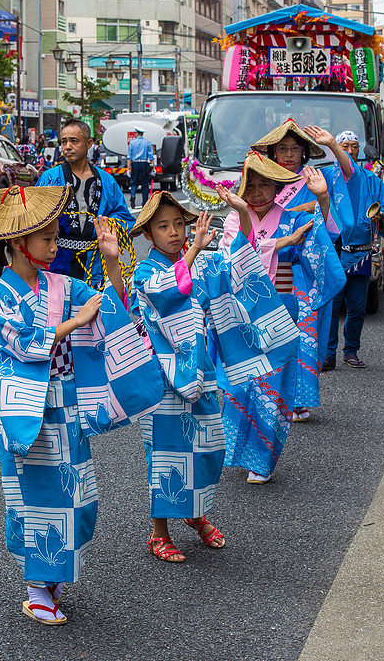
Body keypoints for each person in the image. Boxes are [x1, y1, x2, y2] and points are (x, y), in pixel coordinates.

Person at [0, 185, 164, 624]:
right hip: (30, 414)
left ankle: (51, 575)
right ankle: (36, 587)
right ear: (19, 245)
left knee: (77, 497)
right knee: (39, 499)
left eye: (56, 238)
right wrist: (73, 322)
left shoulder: (61, 285)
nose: (56, 246)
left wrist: (113, 262)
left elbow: (107, 306)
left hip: (67, 407)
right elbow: (21, 345)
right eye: (48, 239)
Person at [132, 189, 300, 559]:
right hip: (163, 377)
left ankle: (195, 513)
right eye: (163, 226)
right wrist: (193, 252)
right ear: (148, 234)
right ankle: (159, 531)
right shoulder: (146, 272)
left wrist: (241, 215)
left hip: (201, 372)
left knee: (207, 447)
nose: (174, 232)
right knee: (167, 453)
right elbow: (167, 292)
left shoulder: (203, 263)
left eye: (179, 224)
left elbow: (236, 269)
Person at [216, 152, 321, 483]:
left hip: (278, 311)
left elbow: (325, 237)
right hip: (240, 314)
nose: (258, 192)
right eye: (252, 185)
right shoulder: (235, 218)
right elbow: (228, 258)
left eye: (265, 185)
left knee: (270, 389)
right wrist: (279, 243)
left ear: (278, 188)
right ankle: (237, 448)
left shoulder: (289, 217)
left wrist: (323, 198)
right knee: (240, 387)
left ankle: (261, 460)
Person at [250, 119, 348, 421]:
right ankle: (266, 395)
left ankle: (298, 399)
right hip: (264, 273)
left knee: (302, 337)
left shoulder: (313, 178)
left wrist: (320, 199)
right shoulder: (263, 179)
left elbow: (327, 227)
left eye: (295, 148)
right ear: (273, 151)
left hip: (300, 272)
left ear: (304, 151)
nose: (289, 154)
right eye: (283, 148)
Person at [324, 130, 384, 370]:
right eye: (344, 145)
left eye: (354, 146)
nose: (351, 150)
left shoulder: (370, 179)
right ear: (335, 149)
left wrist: (381, 218)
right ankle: (328, 353)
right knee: (332, 306)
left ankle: (351, 350)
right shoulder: (326, 177)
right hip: (334, 251)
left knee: (356, 306)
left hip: (361, 252)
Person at [35, 119, 136, 288]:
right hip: (55, 262)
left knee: (92, 310)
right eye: (63, 141)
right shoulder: (50, 178)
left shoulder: (107, 181)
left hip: (94, 265)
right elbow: (33, 218)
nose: (67, 146)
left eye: (74, 141)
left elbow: (124, 218)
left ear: (89, 143)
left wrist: (109, 227)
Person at [128, 126, 154, 208]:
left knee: (134, 182)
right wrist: (153, 167)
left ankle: (132, 196)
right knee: (145, 183)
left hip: (135, 163)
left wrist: (128, 168)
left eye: (135, 133)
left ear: (138, 133)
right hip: (143, 163)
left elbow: (129, 157)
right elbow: (151, 156)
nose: (134, 134)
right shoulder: (147, 143)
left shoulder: (132, 143)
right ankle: (145, 202)